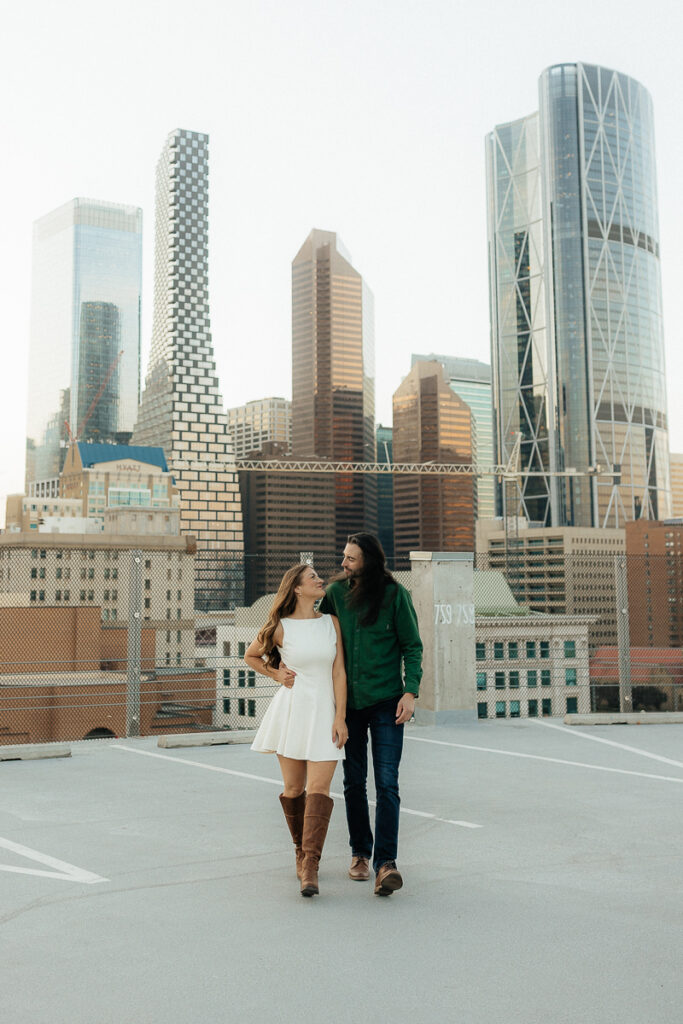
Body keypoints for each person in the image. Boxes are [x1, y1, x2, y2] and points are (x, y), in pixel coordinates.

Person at [319, 533, 423, 897]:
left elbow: (412, 646)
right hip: (347, 705)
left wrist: (411, 692)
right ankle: (360, 853)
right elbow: (314, 634)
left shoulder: (396, 596)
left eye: (351, 558)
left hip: (386, 702)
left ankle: (386, 864)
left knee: (387, 782)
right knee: (352, 781)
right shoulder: (334, 595)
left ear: (370, 561)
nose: (343, 563)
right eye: (344, 557)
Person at [245, 563, 348, 897]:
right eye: (313, 578)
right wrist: (276, 674)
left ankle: (310, 867)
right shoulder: (279, 627)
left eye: (319, 576)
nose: (320, 581)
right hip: (291, 711)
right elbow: (251, 655)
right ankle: (300, 851)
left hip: (325, 714)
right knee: (293, 789)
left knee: (320, 789)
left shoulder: (331, 623)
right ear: (297, 589)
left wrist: (340, 717)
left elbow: (339, 674)